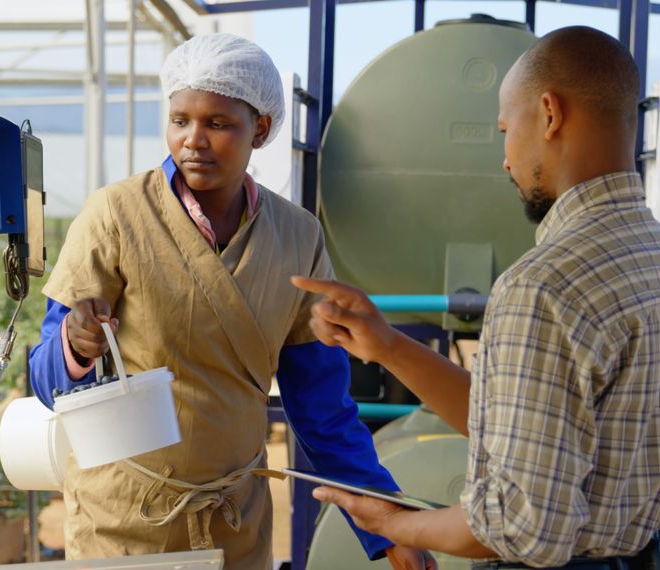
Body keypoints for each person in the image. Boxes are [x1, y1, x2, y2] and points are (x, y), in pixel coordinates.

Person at [293, 26, 660, 570]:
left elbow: (521, 529)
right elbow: (532, 429)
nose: (504, 159)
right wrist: (389, 345)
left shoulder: (543, 286)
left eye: (504, 129)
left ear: (548, 114)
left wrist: (393, 522)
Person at [28, 33, 433, 569]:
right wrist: (74, 348)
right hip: (124, 524)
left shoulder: (298, 238)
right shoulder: (115, 216)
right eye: (180, 120)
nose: (193, 140)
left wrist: (388, 523)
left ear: (260, 129)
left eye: (217, 124)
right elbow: (46, 382)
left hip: (234, 525)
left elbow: (322, 409)